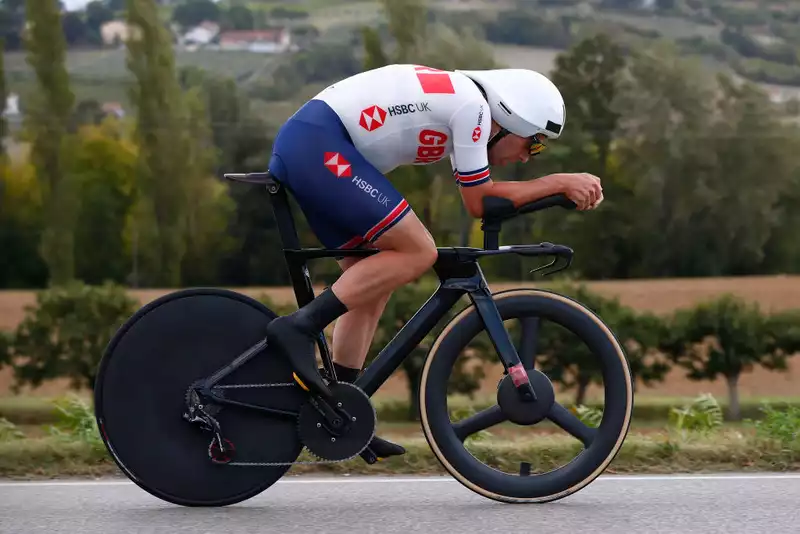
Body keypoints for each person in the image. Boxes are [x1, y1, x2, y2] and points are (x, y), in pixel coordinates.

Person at [264, 64, 603, 461]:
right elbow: (480, 202)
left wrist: (554, 186)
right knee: (417, 251)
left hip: (313, 143)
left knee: (372, 281)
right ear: (510, 120)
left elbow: (485, 198)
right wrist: (559, 181)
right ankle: (298, 327)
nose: (529, 157)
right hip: (317, 143)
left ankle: (339, 407)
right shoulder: (473, 109)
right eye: (534, 144)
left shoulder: (467, 110)